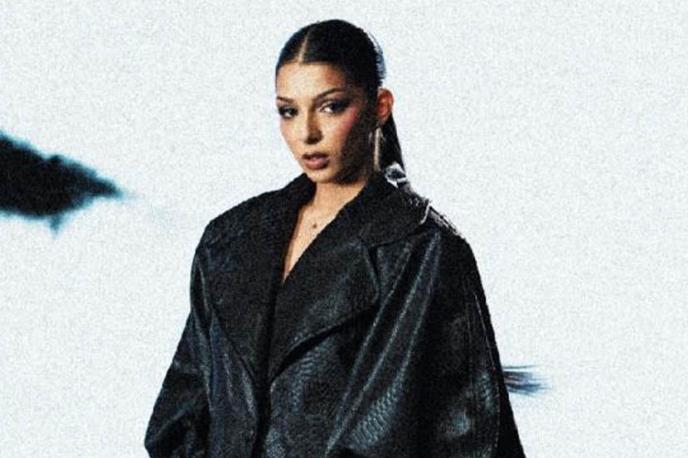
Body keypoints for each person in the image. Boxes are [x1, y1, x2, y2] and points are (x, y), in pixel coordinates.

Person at [144, 19, 526, 457]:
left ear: (380, 106)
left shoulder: (422, 249)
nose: (306, 133)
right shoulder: (229, 241)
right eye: (289, 111)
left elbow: (457, 440)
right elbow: (176, 421)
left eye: (330, 107)